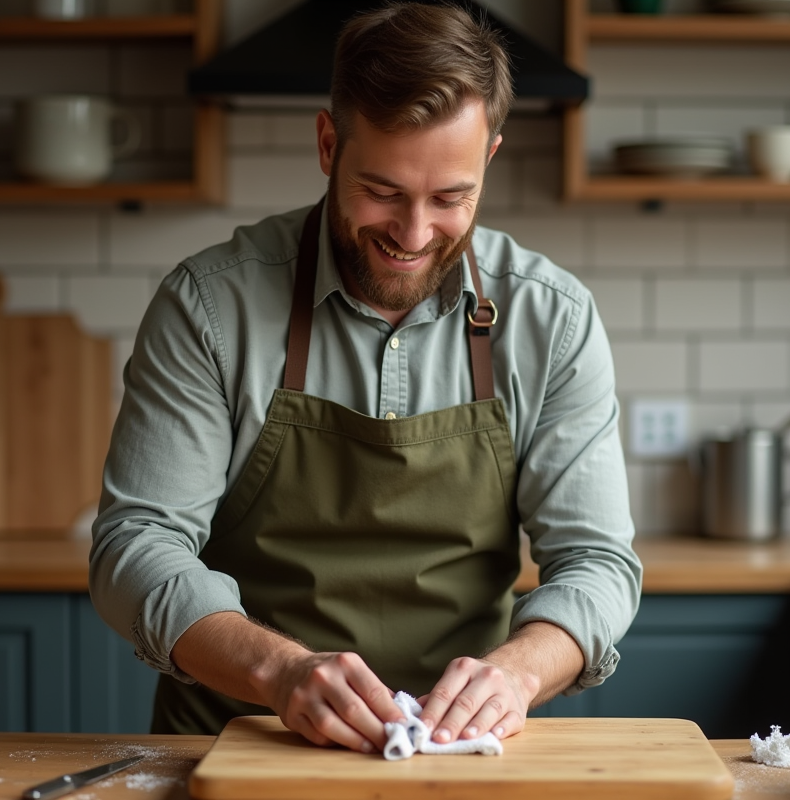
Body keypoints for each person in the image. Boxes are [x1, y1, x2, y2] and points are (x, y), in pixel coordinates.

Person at [89, 1, 641, 753]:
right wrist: (277, 670)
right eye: (383, 191)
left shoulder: (553, 320)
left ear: (491, 159)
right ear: (327, 143)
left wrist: (513, 674)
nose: (413, 235)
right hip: (239, 744)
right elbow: (137, 543)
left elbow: (598, 563)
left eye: (451, 198)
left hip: (463, 757)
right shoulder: (210, 307)